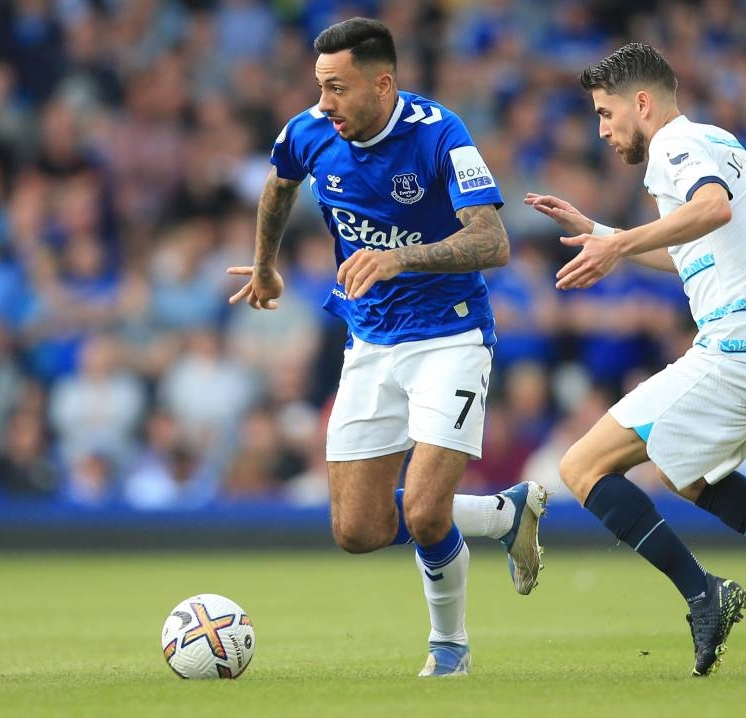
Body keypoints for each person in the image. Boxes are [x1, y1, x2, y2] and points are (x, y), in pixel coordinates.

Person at [526, 42, 746, 677]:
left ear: (643, 103)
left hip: (738, 350)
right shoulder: (718, 142)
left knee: (582, 465)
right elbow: (694, 245)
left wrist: (620, 241)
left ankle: (702, 592)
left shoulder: (674, 148)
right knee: (691, 473)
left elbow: (713, 207)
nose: (602, 130)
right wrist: (604, 234)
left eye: (606, 113)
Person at [227, 17, 547, 677]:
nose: (325, 103)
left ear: (383, 82)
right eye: (320, 87)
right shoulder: (309, 131)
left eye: (338, 88)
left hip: (450, 337)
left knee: (427, 514)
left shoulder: (439, 134)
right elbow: (279, 184)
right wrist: (264, 266)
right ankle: (502, 515)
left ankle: (448, 649)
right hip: (368, 341)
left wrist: (401, 260)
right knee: (357, 530)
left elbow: (494, 242)